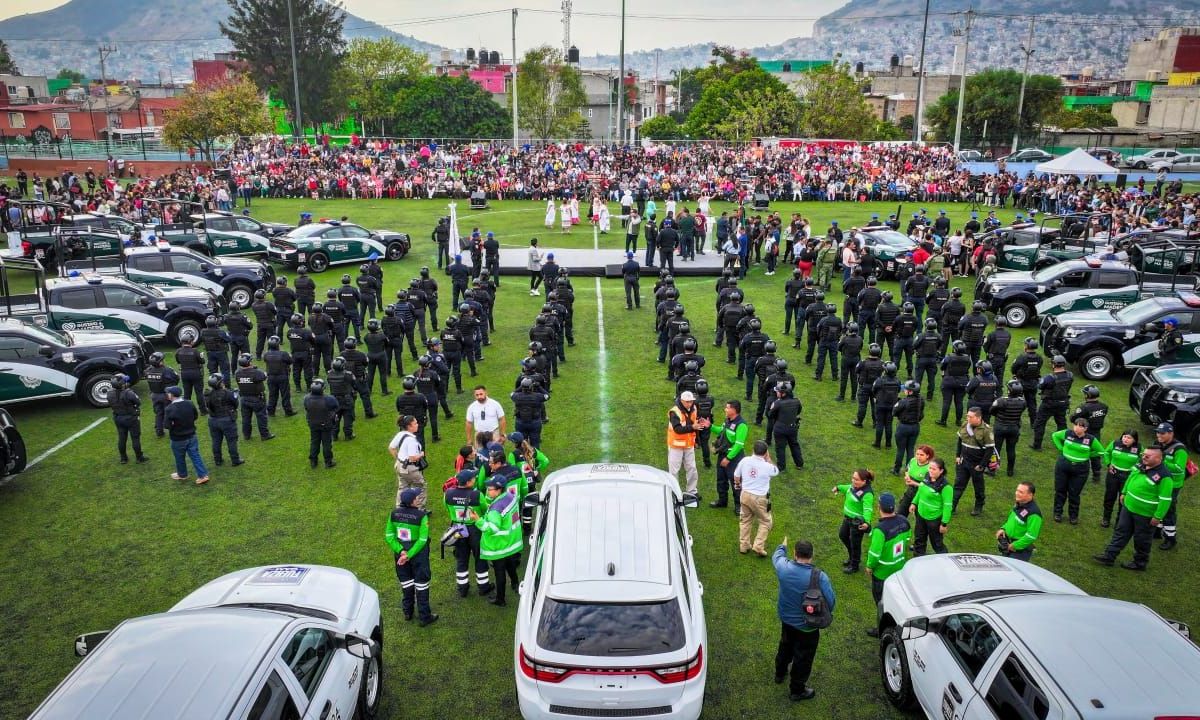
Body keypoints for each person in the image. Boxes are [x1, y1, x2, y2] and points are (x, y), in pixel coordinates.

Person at [772, 538, 835, 702]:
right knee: (803, 657)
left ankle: (780, 673)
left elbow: (776, 557)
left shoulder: (783, 568)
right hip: (808, 627)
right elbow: (831, 602)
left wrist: (782, 546)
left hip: (786, 621)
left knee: (785, 645)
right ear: (811, 556)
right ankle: (797, 690)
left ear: (795, 553)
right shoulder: (820, 577)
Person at [1094, 446, 1172, 571]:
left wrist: (1158, 516)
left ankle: (1140, 563)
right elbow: (1131, 477)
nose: (1144, 457)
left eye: (1148, 456)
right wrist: (1124, 492)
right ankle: (1109, 556)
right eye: (1144, 454)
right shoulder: (1141, 464)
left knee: (1142, 539)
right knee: (1120, 532)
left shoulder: (1165, 476)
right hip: (1128, 507)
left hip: (1145, 514)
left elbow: (1165, 499)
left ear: (1159, 458)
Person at [387, 488, 438, 626]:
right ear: (411, 501)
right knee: (421, 584)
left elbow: (389, 536)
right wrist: (409, 555)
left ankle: (408, 612)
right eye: (416, 498)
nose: (418, 499)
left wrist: (402, 552)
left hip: (400, 554)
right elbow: (422, 540)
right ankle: (424, 617)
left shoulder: (394, 514)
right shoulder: (421, 516)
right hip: (418, 555)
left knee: (406, 583)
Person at [864, 493, 910, 637]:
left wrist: (869, 566)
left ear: (879, 507)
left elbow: (875, 553)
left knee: (881, 603)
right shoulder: (904, 521)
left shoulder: (880, 529)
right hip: (899, 569)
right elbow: (908, 538)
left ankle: (883, 630)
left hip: (882, 573)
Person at [472, 477, 522, 606]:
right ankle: (516, 584)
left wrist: (478, 520)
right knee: (510, 563)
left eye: (490, 489)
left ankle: (500, 599)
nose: (488, 492)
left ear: (499, 490)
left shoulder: (496, 509)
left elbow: (492, 528)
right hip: (510, 539)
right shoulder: (511, 496)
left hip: (498, 545)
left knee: (499, 572)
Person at [444, 468, 492, 597]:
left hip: (458, 529)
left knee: (461, 558)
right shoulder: (477, 495)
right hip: (475, 529)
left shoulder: (448, 493)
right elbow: (485, 509)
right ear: (469, 482)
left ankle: (462, 588)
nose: (475, 479)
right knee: (480, 557)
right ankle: (483, 586)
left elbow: (447, 509)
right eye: (473, 478)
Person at [1052, 417, 1103, 524]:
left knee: (1074, 493)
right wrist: (1061, 448)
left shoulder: (1091, 439)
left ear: (1086, 429)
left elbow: (1101, 451)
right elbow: (1055, 435)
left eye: (1080, 426)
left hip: (1080, 470)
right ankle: (1057, 513)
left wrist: (1089, 455)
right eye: (1075, 425)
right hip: (1063, 466)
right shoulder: (1067, 433)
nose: (1077, 428)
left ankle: (1073, 516)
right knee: (1060, 490)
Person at [735, 440, 778, 556]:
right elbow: (776, 471)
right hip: (760, 498)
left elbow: (736, 475)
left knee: (745, 520)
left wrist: (738, 485)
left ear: (753, 450)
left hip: (744, 495)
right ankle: (758, 546)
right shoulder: (768, 466)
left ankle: (744, 546)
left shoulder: (745, 461)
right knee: (766, 521)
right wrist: (768, 459)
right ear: (765, 453)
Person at [1153, 421, 1189, 550]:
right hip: (1160, 481)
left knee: (1168, 510)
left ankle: (1170, 538)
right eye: (1158, 432)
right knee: (1157, 505)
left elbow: (1179, 469)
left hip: (1173, 485)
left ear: (1171, 433)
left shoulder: (1180, 450)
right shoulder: (1157, 444)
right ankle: (1157, 531)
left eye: (1162, 433)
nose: (1159, 435)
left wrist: (1161, 461)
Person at [952, 407, 995, 516]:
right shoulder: (965, 424)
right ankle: (952, 505)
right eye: (967, 416)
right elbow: (959, 440)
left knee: (978, 486)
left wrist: (982, 465)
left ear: (978, 418)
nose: (968, 418)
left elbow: (989, 450)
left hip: (976, 464)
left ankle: (979, 506)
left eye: (971, 417)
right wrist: (957, 455)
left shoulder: (986, 430)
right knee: (958, 484)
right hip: (963, 461)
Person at [164, 385, 208, 485]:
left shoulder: (169, 409)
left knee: (179, 457)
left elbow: (167, 425)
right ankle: (203, 475)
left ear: (171, 395)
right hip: (192, 435)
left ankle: (182, 474)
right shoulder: (189, 403)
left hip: (178, 438)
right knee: (195, 455)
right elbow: (195, 416)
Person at [832, 469, 875, 573]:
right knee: (843, 535)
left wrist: (867, 522)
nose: (853, 481)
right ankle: (852, 558)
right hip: (847, 519)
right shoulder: (854, 486)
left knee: (855, 544)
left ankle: (854, 566)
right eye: (853, 478)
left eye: (856, 479)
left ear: (864, 481)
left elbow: (868, 509)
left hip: (857, 523)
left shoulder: (867, 494)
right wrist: (838, 487)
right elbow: (847, 488)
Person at [711, 400, 749, 512]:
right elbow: (721, 430)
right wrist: (710, 426)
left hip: (734, 458)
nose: (725, 409)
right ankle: (722, 501)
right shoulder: (727, 420)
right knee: (721, 479)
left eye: (727, 407)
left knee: (736, 482)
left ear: (734, 410)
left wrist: (728, 458)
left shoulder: (742, 425)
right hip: (723, 454)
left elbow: (738, 445)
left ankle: (739, 506)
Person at [908, 457, 952, 555]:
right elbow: (920, 490)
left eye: (934, 469)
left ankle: (945, 561)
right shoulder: (927, 476)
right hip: (920, 515)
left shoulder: (946, 487)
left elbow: (947, 507)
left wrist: (944, 524)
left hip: (934, 520)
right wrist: (914, 503)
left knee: (937, 544)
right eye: (930, 468)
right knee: (919, 539)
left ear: (941, 471)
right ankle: (917, 559)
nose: (930, 471)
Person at [667, 390, 707, 496]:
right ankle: (674, 492)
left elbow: (694, 423)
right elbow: (678, 429)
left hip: (689, 444)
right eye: (687, 402)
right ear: (682, 401)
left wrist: (697, 439)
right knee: (674, 470)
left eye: (691, 401)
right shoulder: (674, 412)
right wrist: (693, 427)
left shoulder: (693, 408)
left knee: (692, 468)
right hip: (676, 446)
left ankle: (692, 491)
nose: (690, 403)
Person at [1030, 355, 1073, 449]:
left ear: (1054, 364)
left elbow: (1040, 386)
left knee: (1039, 423)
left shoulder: (1049, 378)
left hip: (1049, 404)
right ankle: (1063, 445)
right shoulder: (1070, 375)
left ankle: (1037, 445)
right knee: (1061, 424)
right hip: (1063, 403)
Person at [1101, 429, 1141, 528]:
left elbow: (1143, 459)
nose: (1126, 439)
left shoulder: (1139, 448)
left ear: (1134, 440)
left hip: (1128, 477)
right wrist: (1109, 464)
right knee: (1109, 497)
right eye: (1124, 437)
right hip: (1113, 474)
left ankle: (1119, 521)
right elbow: (1106, 453)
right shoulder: (1115, 443)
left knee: (1122, 499)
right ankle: (1106, 518)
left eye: (1129, 438)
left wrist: (1135, 470)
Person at [203, 373, 243, 467]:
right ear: (220, 383)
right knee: (231, 441)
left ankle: (218, 460)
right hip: (227, 420)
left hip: (213, 420)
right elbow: (235, 404)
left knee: (216, 441)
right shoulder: (228, 393)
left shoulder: (207, 394)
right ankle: (235, 460)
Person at [997, 482, 1042, 562]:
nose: (1017, 493)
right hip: (1008, 544)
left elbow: (1031, 536)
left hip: (1020, 552)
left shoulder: (1034, 513)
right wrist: (1003, 529)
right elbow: (1011, 520)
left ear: (1030, 495)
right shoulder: (1019, 504)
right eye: (1017, 490)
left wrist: (1014, 546)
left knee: (1013, 572)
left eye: (1021, 492)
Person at [108, 374, 148, 464]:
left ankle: (123, 458)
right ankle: (139, 457)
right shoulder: (128, 393)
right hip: (131, 418)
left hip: (118, 417)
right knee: (135, 438)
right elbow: (138, 402)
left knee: (122, 438)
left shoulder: (109, 393)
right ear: (122, 384)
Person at [234, 353, 274, 441]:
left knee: (246, 418)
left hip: (244, 399)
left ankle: (246, 435)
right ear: (249, 362)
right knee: (261, 417)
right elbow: (264, 375)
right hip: (257, 399)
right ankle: (265, 435)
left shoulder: (237, 373)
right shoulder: (256, 373)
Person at [390, 414, 427, 509]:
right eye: (415, 423)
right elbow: (412, 458)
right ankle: (419, 509)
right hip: (410, 469)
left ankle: (400, 509)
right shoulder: (411, 440)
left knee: (403, 487)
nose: (417, 424)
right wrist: (421, 454)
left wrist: (399, 459)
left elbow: (391, 448)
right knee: (421, 487)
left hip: (399, 465)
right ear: (409, 426)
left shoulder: (401, 434)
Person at [991, 379, 1026, 477]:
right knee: (1011, 449)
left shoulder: (1001, 401)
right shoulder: (1022, 402)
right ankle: (1010, 471)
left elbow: (992, 411)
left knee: (995, 449)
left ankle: (992, 470)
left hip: (1000, 427)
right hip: (1014, 428)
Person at [766, 382, 804, 471]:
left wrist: (771, 407)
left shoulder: (778, 403)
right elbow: (798, 411)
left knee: (780, 447)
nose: (777, 393)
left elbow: (770, 415)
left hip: (780, 428)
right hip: (793, 427)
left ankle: (781, 467)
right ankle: (799, 464)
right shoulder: (797, 401)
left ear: (784, 393)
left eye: (778, 391)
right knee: (794, 445)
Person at [303, 379, 339, 469]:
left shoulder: (306, 398)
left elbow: (306, 408)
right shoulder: (329, 399)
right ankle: (328, 462)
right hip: (326, 424)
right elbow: (336, 406)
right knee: (327, 443)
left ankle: (313, 461)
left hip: (313, 424)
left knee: (314, 442)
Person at [143, 352, 178, 438]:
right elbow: (176, 378)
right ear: (160, 362)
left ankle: (159, 431)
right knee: (168, 412)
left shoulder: (148, 371)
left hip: (154, 395)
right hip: (165, 395)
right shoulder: (166, 370)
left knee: (158, 413)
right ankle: (171, 429)